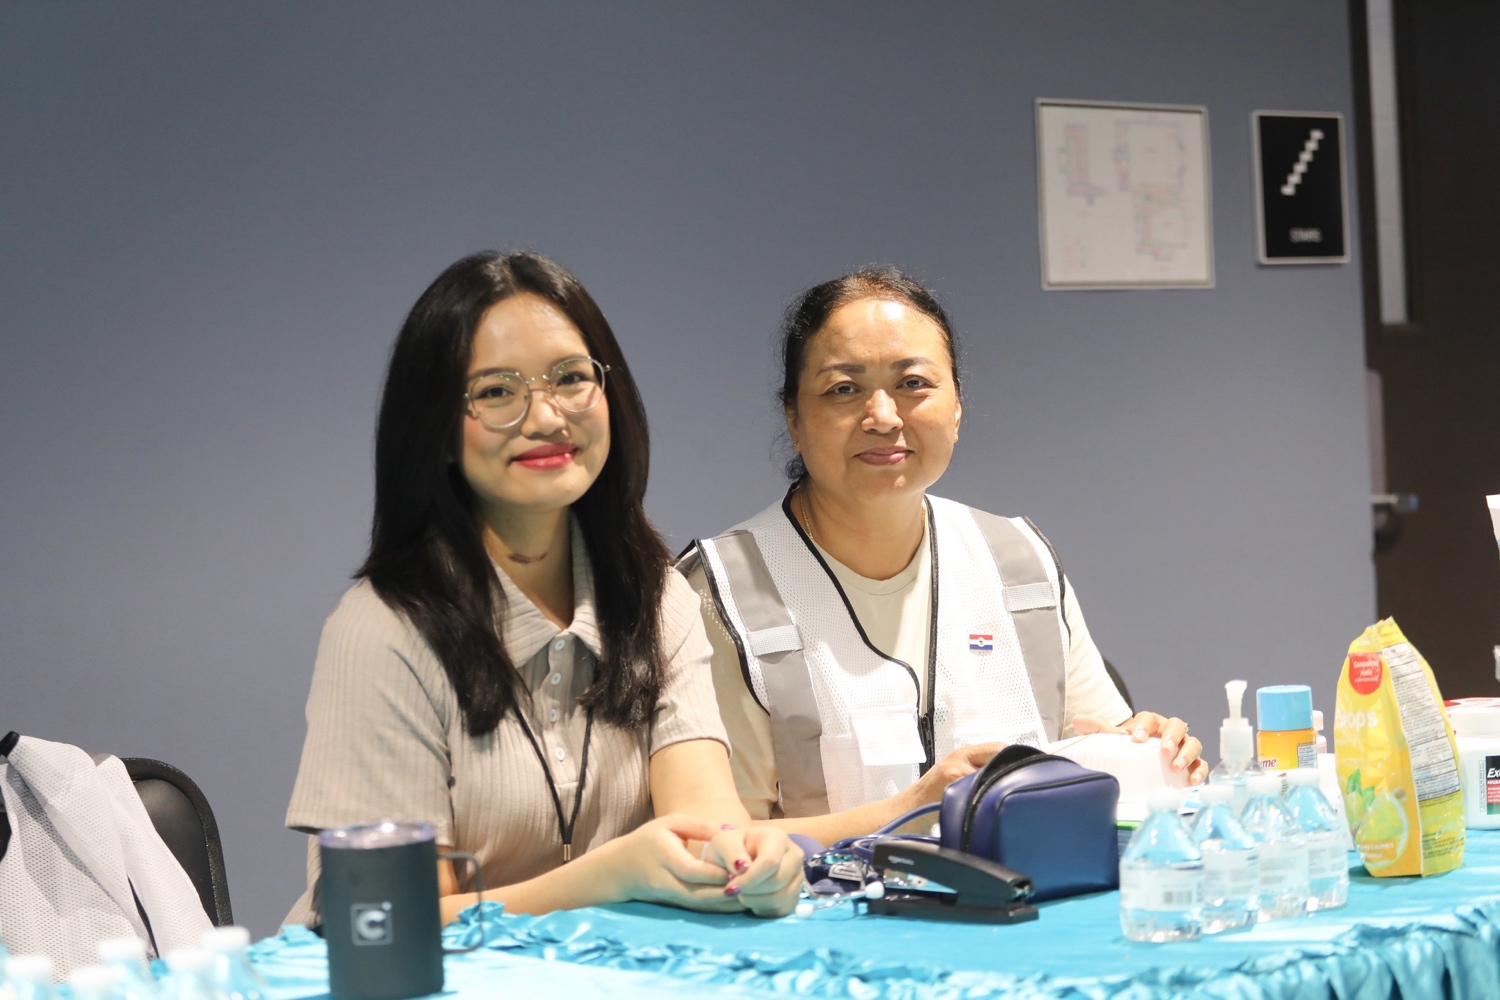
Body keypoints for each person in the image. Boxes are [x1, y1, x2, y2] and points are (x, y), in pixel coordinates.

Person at [285, 251, 802, 924]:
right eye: (497, 392)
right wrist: (608, 878)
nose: (548, 417)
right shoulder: (382, 632)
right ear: (436, 427)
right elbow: (385, 917)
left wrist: (750, 861)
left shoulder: (656, 599)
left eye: (571, 378)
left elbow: (706, 820)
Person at [680, 266, 1206, 844]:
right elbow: (716, 845)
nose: (883, 416)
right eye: (844, 389)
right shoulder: (718, 593)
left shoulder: (1018, 561)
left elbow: (1095, 764)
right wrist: (914, 808)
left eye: (913, 383)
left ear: (956, 408)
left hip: (1027, 892)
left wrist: (1147, 750)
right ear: (794, 419)